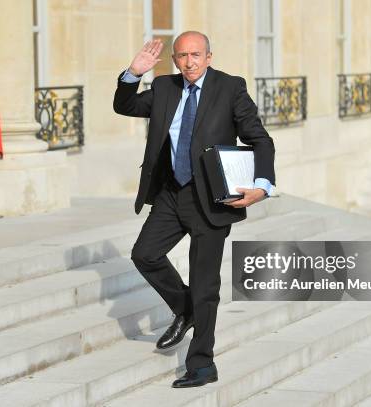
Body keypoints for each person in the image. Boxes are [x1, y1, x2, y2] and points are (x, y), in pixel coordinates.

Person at [113, 31, 275, 388]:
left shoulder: (230, 88)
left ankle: (202, 364)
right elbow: (125, 106)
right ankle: (185, 309)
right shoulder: (164, 88)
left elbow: (259, 138)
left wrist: (262, 186)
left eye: (196, 55)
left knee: (206, 285)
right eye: (182, 56)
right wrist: (133, 74)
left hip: (211, 198)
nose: (189, 62)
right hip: (171, 193)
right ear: (175, 60)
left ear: (209, 56)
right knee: (145, 254)